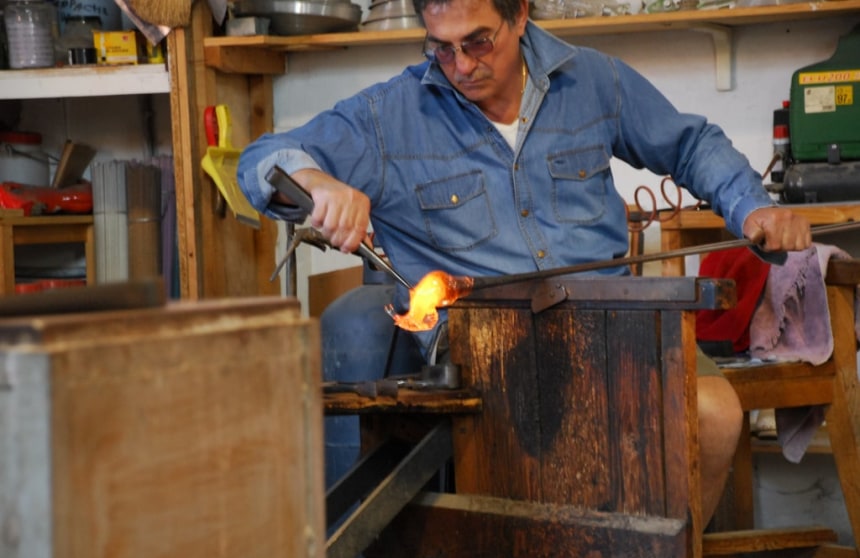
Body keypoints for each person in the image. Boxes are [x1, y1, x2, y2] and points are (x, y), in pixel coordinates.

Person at [237, 0, 812, 525]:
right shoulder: (391, 118)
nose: (459, 65)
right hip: (486, 352)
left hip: (616, 332)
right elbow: (262, 160)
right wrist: (315, 184)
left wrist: (752, 208)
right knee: (547, 439)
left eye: (479, 42)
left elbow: (689, 145)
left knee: (713, 415)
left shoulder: (593, 81)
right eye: (441, 47)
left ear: (521, 15)